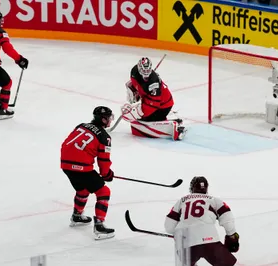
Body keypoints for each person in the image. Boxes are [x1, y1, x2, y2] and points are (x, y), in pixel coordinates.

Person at [60, 106, 115, 240]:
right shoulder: (104, 137)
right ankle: (100, 226)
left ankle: (77, 216)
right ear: (103, 119)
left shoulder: (81, 125)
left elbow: (68, 143)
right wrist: (107, 174)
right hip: (81, 167)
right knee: (103, 192)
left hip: (65, 164)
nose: (110, 121)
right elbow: (103, 160)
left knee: (83, 189)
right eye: (109, 118)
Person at [164, 176, 240, 266]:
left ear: (192, 188)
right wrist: (232, 237)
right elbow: (228, 222)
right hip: (210, 241)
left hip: (187, 245)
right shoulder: (214, 200)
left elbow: (169, 227)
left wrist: (179, 235)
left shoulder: (181, 201)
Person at [122, 57, 186, 140]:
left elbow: (153, 105)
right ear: (139, 68)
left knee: (144, 120)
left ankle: (173, 125)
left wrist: (138, 112)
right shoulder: (134, 71)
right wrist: (135, 91)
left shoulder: (153, 84)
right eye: (144, 71)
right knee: (141, 120)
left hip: (164, 105)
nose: (146, 73)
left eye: (148, 71)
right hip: (154, 101)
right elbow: (135, 82)